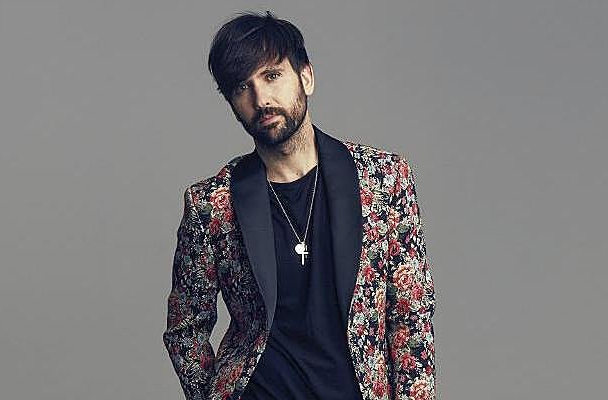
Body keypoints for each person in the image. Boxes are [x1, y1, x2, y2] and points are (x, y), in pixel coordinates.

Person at [162, 10, 437, 400]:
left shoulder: (384, 179)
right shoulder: (211, 204)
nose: (261, 99)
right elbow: (185, 329)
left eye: (272, 76)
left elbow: (411, 316)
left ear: (306, 77)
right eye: (242, 87)